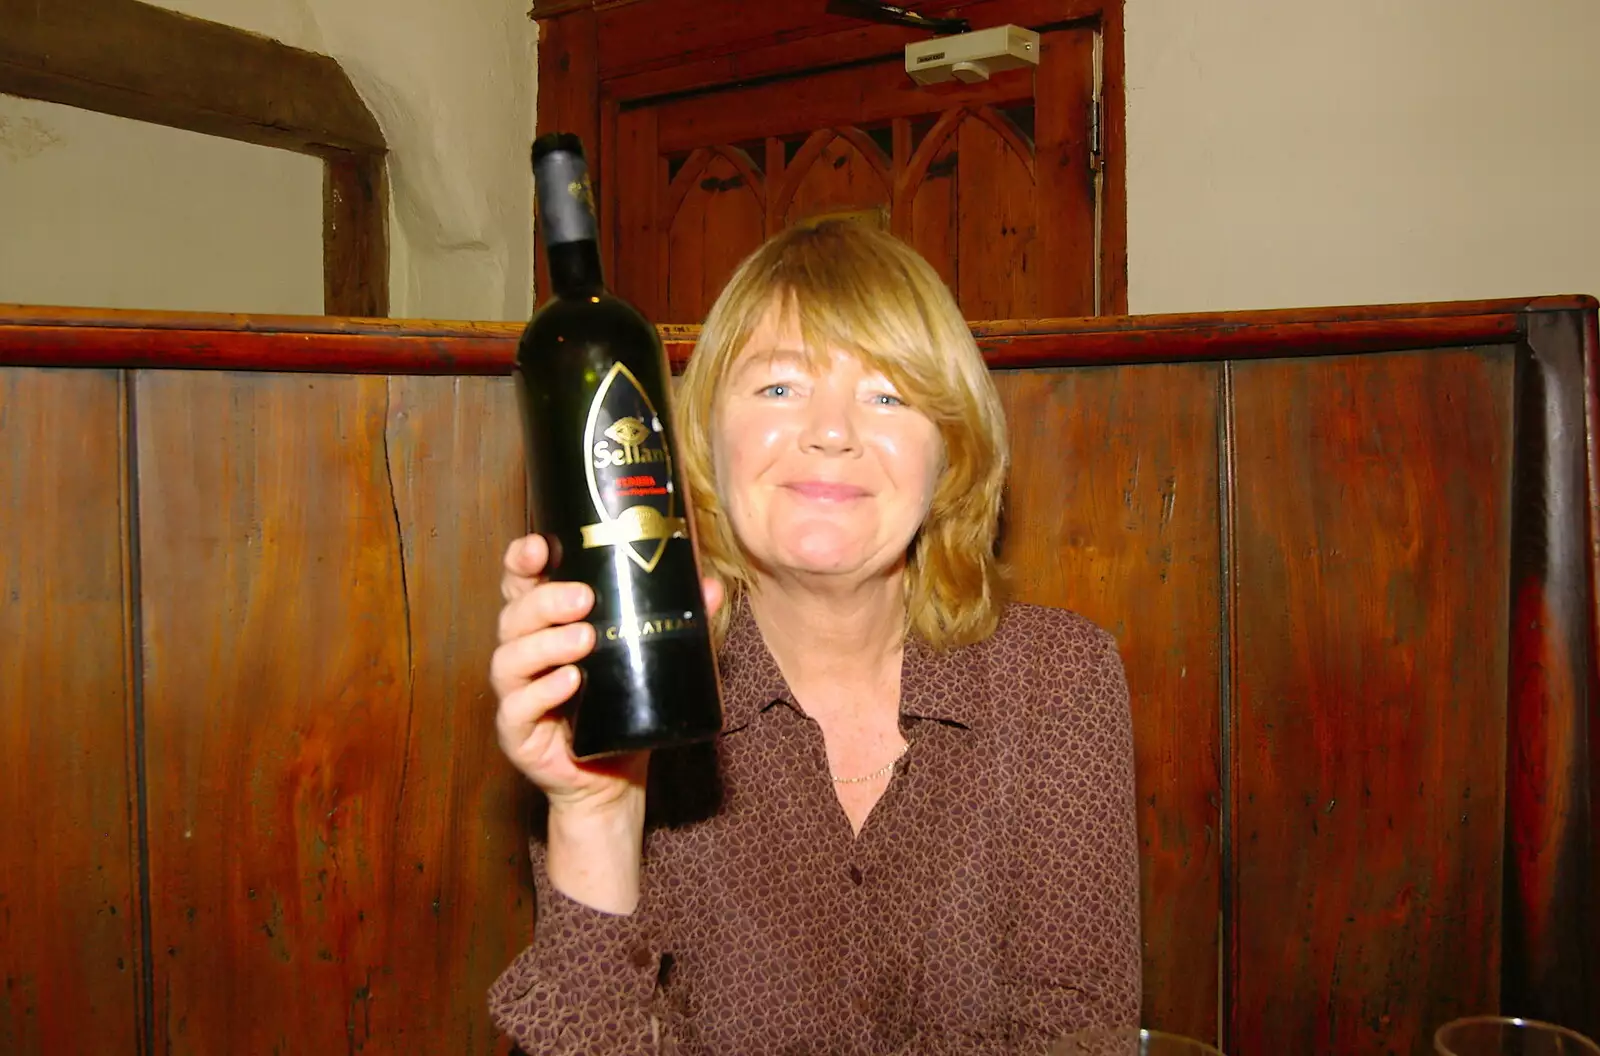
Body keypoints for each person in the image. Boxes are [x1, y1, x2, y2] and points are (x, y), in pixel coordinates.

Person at [487, 218, 1141, 1054]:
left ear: (952, 453)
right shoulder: (622, 695)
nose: (831, 431)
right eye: (779, 388)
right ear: (699, 441)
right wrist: (597, 813)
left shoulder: (1058, 681)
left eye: (888, 394)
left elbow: (1077, 1039)